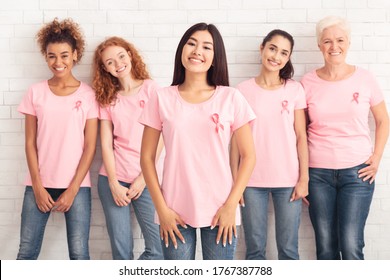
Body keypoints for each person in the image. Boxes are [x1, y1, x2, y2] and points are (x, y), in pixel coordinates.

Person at [139, 22, 256, 260]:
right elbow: (146, 158)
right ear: (182, 49)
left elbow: (249, 156)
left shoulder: (231, 98)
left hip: (221, 208)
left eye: (206, 47)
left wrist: (231, 206)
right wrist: (161, 210)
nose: (197, 51)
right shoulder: (161, 98)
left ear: (215, 57)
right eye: (191, 43)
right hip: (174, 209)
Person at [301, 15, 389, 260]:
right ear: (319, 45)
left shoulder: (365, 78)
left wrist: (377, 157)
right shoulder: (307, 82)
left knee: (351, 246)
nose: (334, 46)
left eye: (340, 40)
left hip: (358, 173)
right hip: (318, 175)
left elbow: (383, 120)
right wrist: (303, 176)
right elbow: (298, 132)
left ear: (349, 43)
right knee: (326, 248)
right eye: (327, 41)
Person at [17, 18, 98, 260]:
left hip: (77, 186)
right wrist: (38, 186)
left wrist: (73, 190)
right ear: (45, 57)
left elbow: (90, 147)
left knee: (79, 254)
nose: (58, 62)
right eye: (52, 56)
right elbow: (30, 144)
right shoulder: (35, 92)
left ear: (75, 55)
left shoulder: (88, 95)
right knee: (26, 253)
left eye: (64, 55)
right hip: (38, 183)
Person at [231, 29, 309, 260]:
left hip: (288, 180)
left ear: (288, 58)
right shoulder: (242, 91)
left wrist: (304, 178)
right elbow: (236, 140)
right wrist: (236, 182)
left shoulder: (294, 89)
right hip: (250, 181)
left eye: (284, 53)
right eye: (273, 48)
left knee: (289, 251)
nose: (276, 56)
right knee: (254, 251)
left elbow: (301, 136)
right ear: (262, 49)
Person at [92, 37, 164, 260]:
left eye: (121, 56)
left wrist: (144, 177)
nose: (118, 64)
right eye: (110, 62)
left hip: (146, 178)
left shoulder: (152, 89)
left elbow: (163, 135)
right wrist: (113, 182)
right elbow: (105, 142)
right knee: (121, 255)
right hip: (113, 178)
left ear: (130, 55)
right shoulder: (108, 98)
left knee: (158, 251)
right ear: (105, 68)